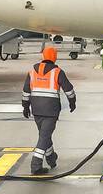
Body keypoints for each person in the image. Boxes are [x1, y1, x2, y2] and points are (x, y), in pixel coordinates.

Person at [21, 45, 77, 174]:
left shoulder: (32, 71)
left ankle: (51, 158)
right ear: (54, 57)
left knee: (44, 136)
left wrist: (25, 106)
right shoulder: (57, 72)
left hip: (36, 110)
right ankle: (36, 165)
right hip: (51, 111)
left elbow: (26, 90)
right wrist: (72, 102)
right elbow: (69, 90)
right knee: (44, 137)